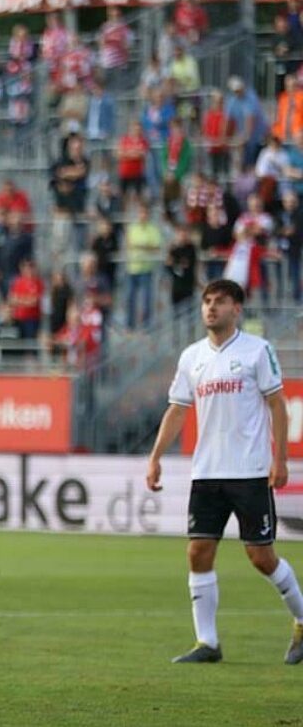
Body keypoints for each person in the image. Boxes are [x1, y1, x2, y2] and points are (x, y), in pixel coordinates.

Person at [146, 279, 302, 665]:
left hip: (249, 471)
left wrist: (279, 459)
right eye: (207, 302)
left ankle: (302, 618)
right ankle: (208, 643)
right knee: (198, 552)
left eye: (220, 301)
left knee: (260, 557)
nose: (211, 308)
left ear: (237, 309)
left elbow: (277, 405)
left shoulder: (257, 350)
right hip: (207, 472)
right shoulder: (192, 357)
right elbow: (178, 408)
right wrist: (155, 456)